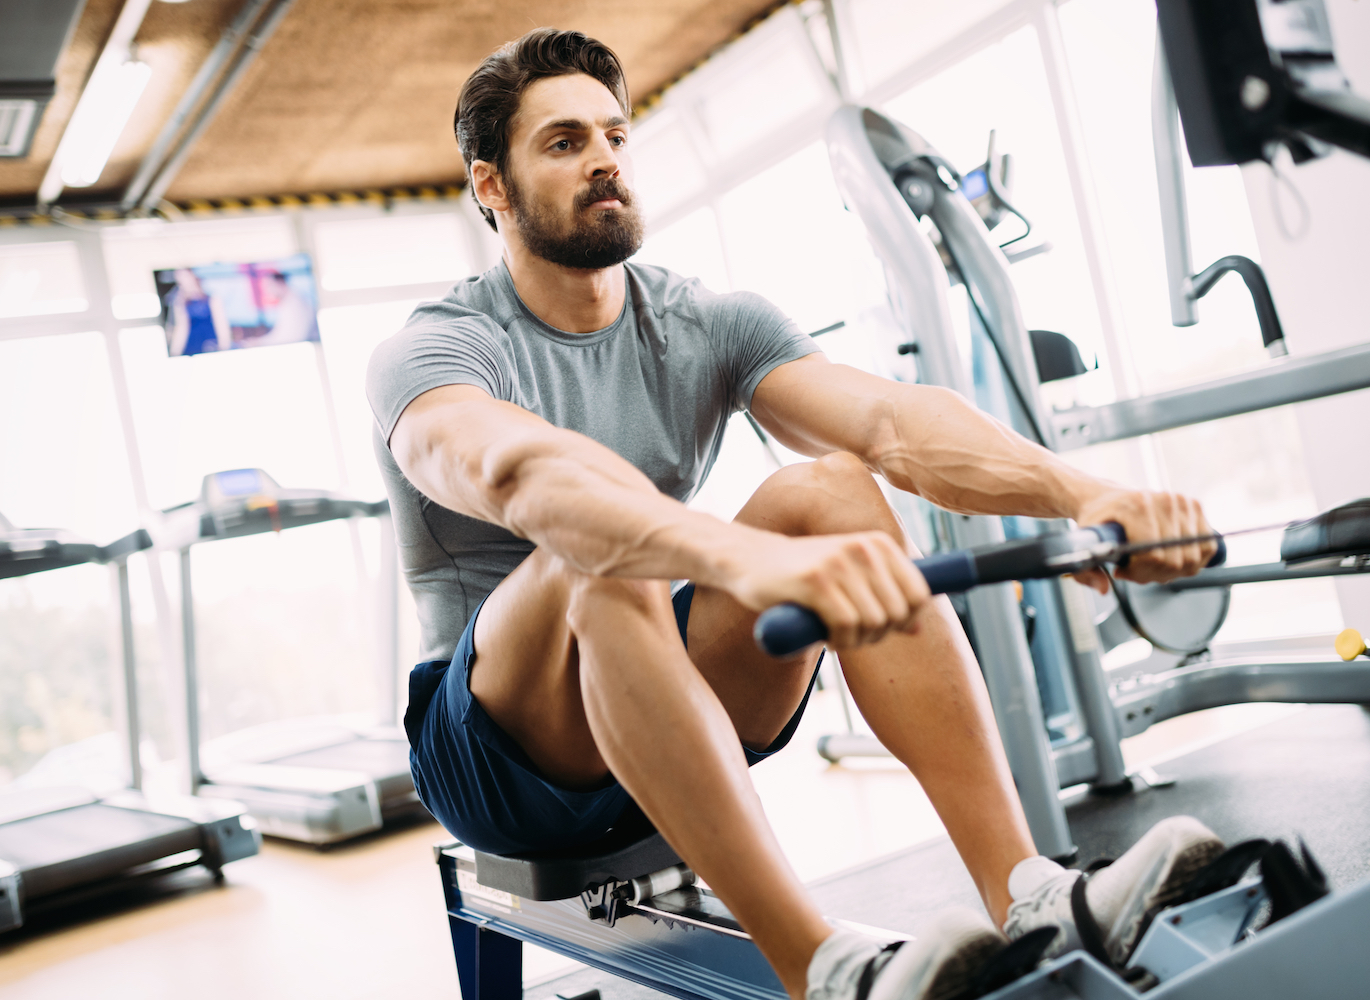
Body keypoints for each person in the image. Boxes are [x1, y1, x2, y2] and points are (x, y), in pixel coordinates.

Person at [367, 28, 1225, 1000]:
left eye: (613, 134)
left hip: (657, 674)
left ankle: (1030, 891)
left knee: (831, 494)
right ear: (492, 186)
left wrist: (1085, 495)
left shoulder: (703, 321)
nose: (604, 157)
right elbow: (525, 475)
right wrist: (742, 560)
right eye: (564, 143)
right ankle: (819, 968)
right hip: (493, 753)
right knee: (600, 547)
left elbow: (890, 424)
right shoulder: (435, 350)